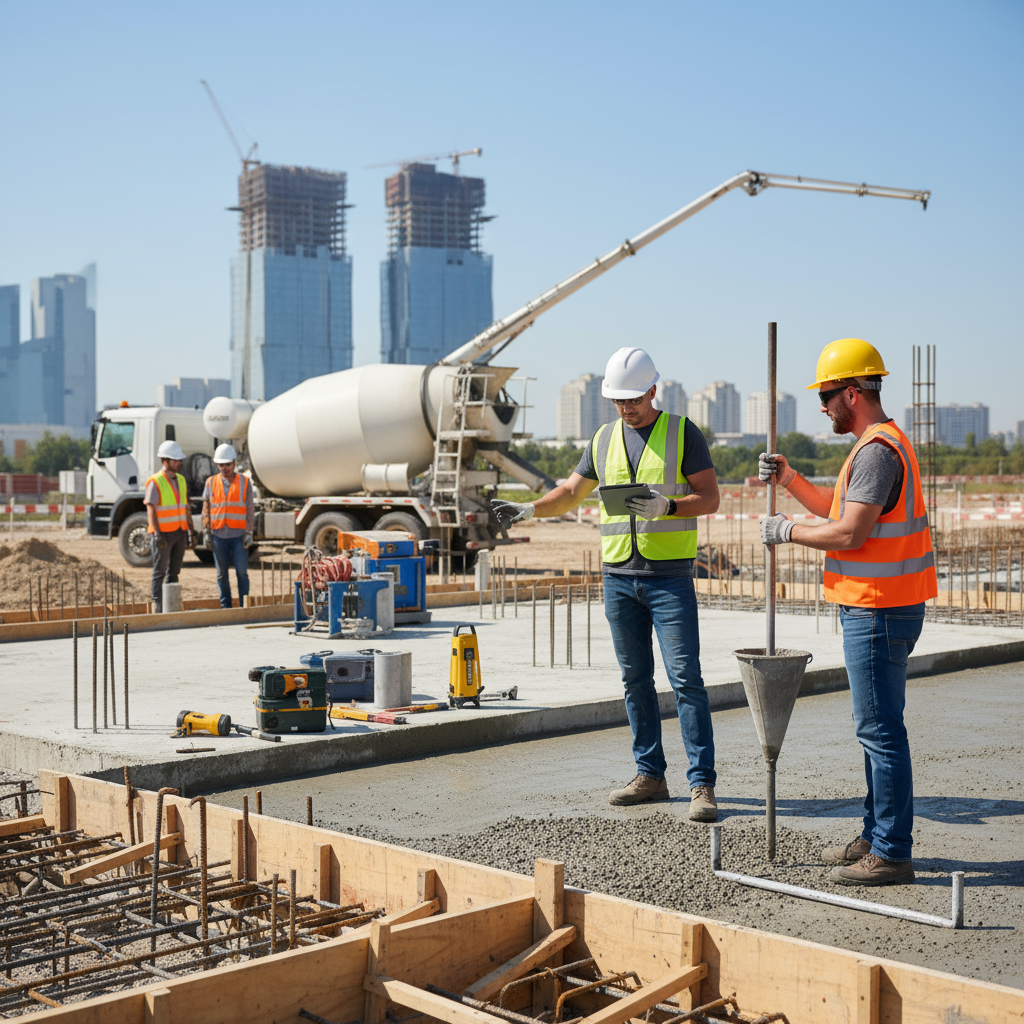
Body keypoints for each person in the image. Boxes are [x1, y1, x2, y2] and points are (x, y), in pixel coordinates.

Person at [492, 347, 721, 821]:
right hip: (619, 578)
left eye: (633, 399)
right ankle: (650, 775)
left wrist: (671, 507)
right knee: (635, 681)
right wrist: (531, 509)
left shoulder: (683, 433)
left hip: (669, 578)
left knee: (686, 681)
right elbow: (571, 493)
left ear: (653, 390)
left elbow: (711, 498)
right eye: (618, 401)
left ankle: (701, 785)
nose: (625, 408)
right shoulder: (602, 438)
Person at [759, 337, 937, 886]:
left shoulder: (878, 451)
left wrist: (786, 531)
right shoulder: (872, 447)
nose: (822, 405)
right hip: (879, 608)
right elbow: (837, 512)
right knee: (875, 728)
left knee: (880, 730)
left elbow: (850, 532)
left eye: (829, 394)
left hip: (879, 611)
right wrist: (789, 481)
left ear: (854, 393)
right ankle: (874, 832)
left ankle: (891, 851)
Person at [145, 440, 195, 613]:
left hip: (179, 533)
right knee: (159, 572)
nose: (179, 463)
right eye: (175, 460)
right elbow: (150, 508)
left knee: (174, 572)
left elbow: (185, 507)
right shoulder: (155, 482)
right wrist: (156, 533)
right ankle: (157, 608)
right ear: (165, 461)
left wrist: (190, 530)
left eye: (179, 460)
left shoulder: (181, 480)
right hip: (163, 535)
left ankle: (171, 606)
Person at [202, 443, 254, 609]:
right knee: (221, 574)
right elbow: (206, 509)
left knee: (242, 573)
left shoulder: (245, 483)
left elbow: (250, 509)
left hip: (239, 536)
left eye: (227, 464)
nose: (224, 468)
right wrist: (206, 532)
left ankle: (244, 605)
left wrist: (249, 532)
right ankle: (226, 607)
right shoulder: (210, 482)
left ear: (234, 463)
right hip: (218, 536)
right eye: (221, 465)